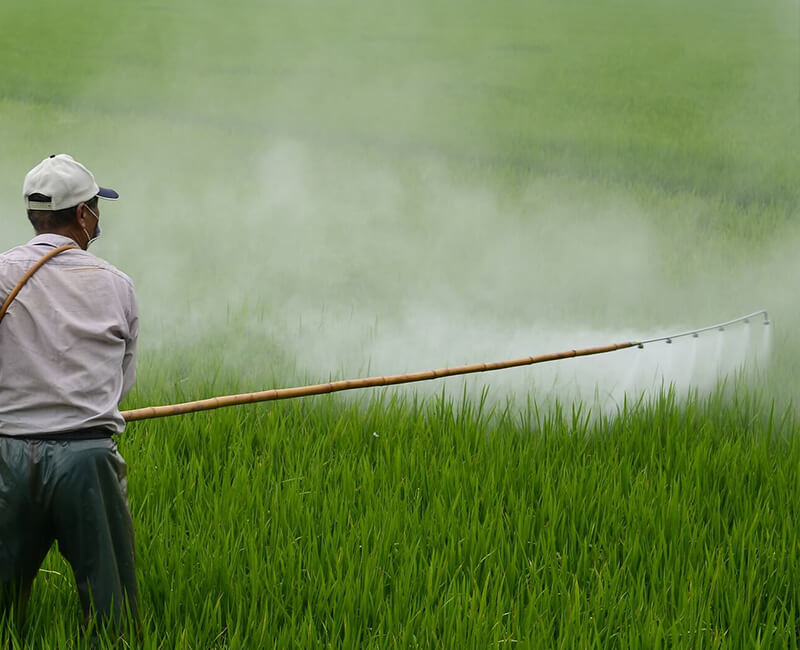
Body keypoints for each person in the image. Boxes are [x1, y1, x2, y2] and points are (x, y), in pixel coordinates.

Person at [0, 154, 139, 638]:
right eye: (95, 207)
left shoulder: (0, 273)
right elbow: (122, 385)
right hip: (87, 460)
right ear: (82, 214)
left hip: (7, 455)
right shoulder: (116, 285)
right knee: (109, 605)